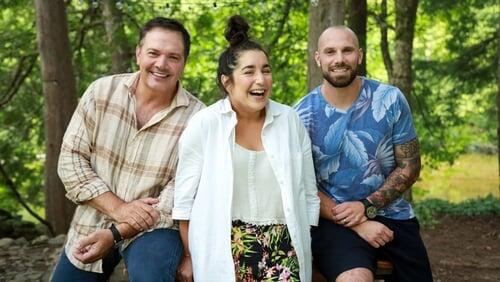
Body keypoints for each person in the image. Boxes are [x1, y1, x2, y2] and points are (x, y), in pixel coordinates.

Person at [51, 17, 205, 281]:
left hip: (155, 229)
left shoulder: (198, 118)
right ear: (138, 53)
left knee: (152, 273)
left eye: (173, 57)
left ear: (184, 63)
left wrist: (117, 231)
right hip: (92, 219)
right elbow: (71, 159)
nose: (161, 64)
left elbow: (179, 193)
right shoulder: (102, 92)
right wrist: (120, 209)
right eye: (153, 53)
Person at [172, 15, 320, 282]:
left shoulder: (289, 121)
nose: (261, 80)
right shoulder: (205, 124)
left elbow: (308, 193)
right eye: (249, 72)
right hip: (224, 246)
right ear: (227, 82)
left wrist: (304, 246)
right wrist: (189, 255)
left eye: (266, 70)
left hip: (285, 245)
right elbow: (184, 203)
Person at [294, 26, 433, 281]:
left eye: (347, 50)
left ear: (359, 55)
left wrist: (367, 207)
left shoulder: (390, 100)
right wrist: (358, 221)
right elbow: (303, 185)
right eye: (330, 52)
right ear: (318, 58)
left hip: (393, 215)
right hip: (334, 222)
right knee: (355, 278)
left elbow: (409, 167)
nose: (339, 59)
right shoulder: (301, 115)